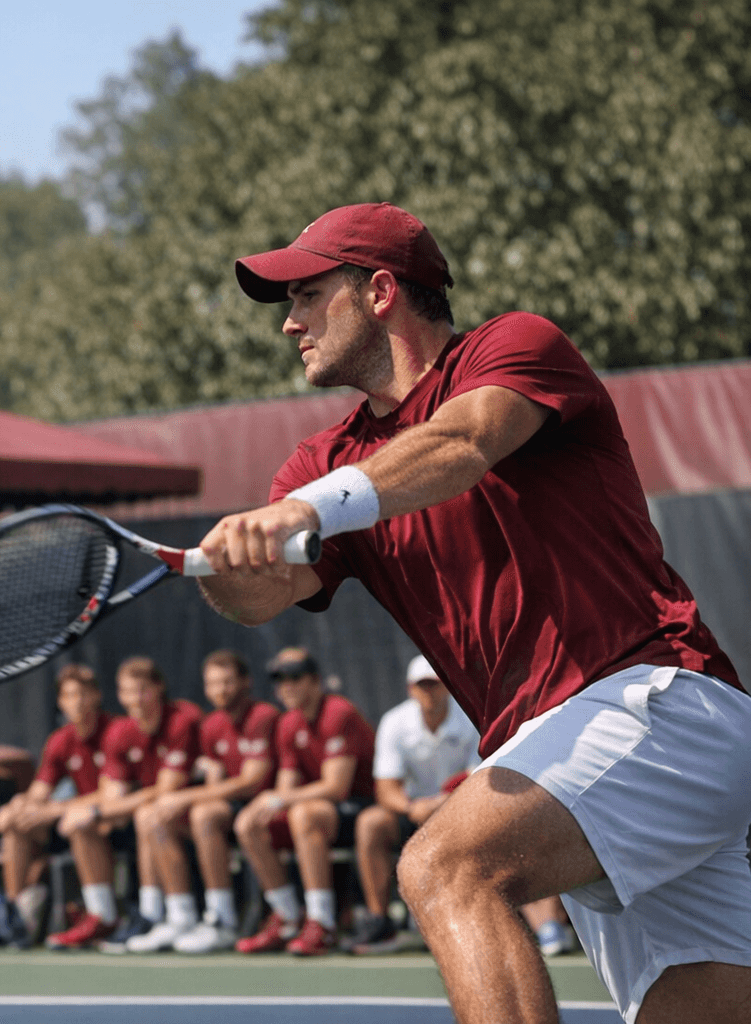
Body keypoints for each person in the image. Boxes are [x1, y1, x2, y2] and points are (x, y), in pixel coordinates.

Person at [200, 202, 751, 1022]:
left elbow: (462, 444)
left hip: (657, 703)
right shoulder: (319, 465)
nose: (290, 322)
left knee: (443, 868)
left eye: (309, 295)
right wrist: (227, 567)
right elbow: (263, 598)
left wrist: (305, 510)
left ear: (380, 292)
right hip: (558, 757)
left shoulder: (516, 346)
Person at [127, 650, 279, 954]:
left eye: (227, 682)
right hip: (233, 809)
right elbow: (216, 783)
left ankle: (223, 920)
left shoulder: (263, 716)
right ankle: (179, 916)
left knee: (203, 815)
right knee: (154, 816)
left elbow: (251, 781)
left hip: (269, 806)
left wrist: (185, 797)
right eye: (212, 683)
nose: (220, 690)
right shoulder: (211, 725)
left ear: (246, 682)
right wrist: (179, 805)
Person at [47, 656, 201, 951]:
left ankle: (177, 916)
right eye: (128, 691)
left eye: (142, 690)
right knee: (94, 823)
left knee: (146, 815)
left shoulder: (181, 720)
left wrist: (94, 810)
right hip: (144, 817)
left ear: (159, 688)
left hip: (189, 811)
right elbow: (113, 794)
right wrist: (90, 812)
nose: (135, 699)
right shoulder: (120, 732)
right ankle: (107, 917)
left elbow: (165, 790)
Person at [232, 647, 374, 956]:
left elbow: (337, 787)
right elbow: (286, 786)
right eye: (279, 679)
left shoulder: (339, 712)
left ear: (315, 681)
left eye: (295, 677)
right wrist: (269, 804)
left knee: (304, 814)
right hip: (317, 809)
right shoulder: (287, 723)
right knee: (247, 824)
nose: (286, 686)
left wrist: (279, 798)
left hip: (361, 807)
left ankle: (322, 922)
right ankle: (287, 917)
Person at [347, 654, 480, 955]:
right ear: (411, 689)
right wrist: (411, 808)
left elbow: (478, 777)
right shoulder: (394, 722)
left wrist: (444, 804)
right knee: (370, 823)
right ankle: (379, 920)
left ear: (447, 686)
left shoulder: (470, 719)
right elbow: (386, 788)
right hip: (412, 811)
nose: (428, 691)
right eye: (422, 685)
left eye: (434, 684)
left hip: (462, 811)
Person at [0, 664, 111, 946]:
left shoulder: (114, 732)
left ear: (96, 696)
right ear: (60, 702)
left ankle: (102, 917)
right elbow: (39, 793)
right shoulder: (60, 740)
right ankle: (18, 914)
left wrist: (57, 809)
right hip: (70, 820)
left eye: (82, 694)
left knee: (78, 822)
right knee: (16, 826)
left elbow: (112, 794)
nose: (76, 702)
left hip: (110, 820)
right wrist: (17, 807)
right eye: (68, 696)